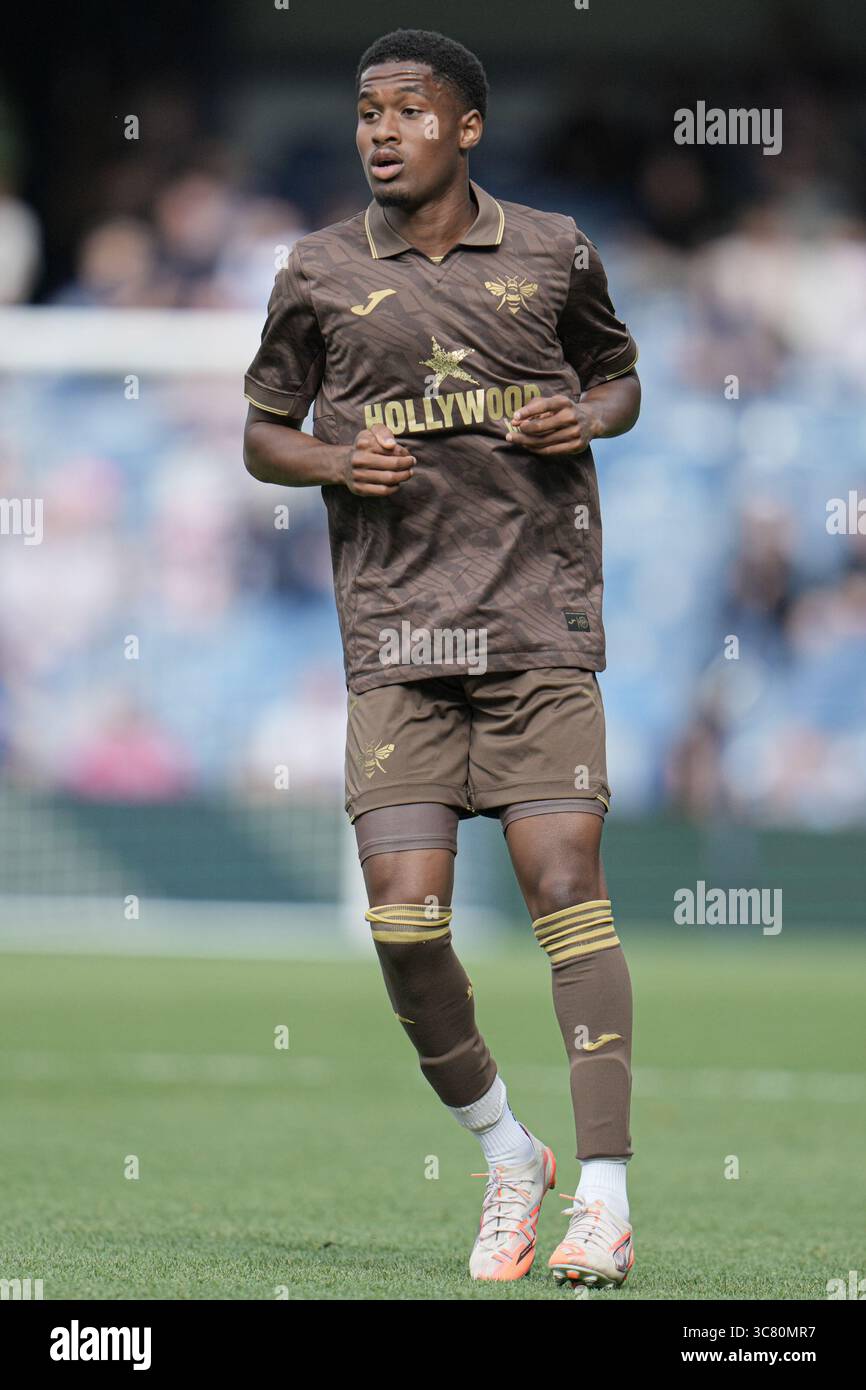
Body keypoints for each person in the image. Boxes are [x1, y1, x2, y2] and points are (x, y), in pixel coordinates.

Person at [243, 27, 641, 1289]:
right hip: (397, 641)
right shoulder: (312, 269)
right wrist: (329, 457)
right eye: (366, 111)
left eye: (405, 110)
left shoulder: (552, 248)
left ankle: (607, 1200)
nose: (377, 130)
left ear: (464, 127)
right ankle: (503, 1150)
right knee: (404, 924)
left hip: (536, 628)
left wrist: (577, 414)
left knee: (561, 873)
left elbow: (620, 380)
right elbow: (262, 433)